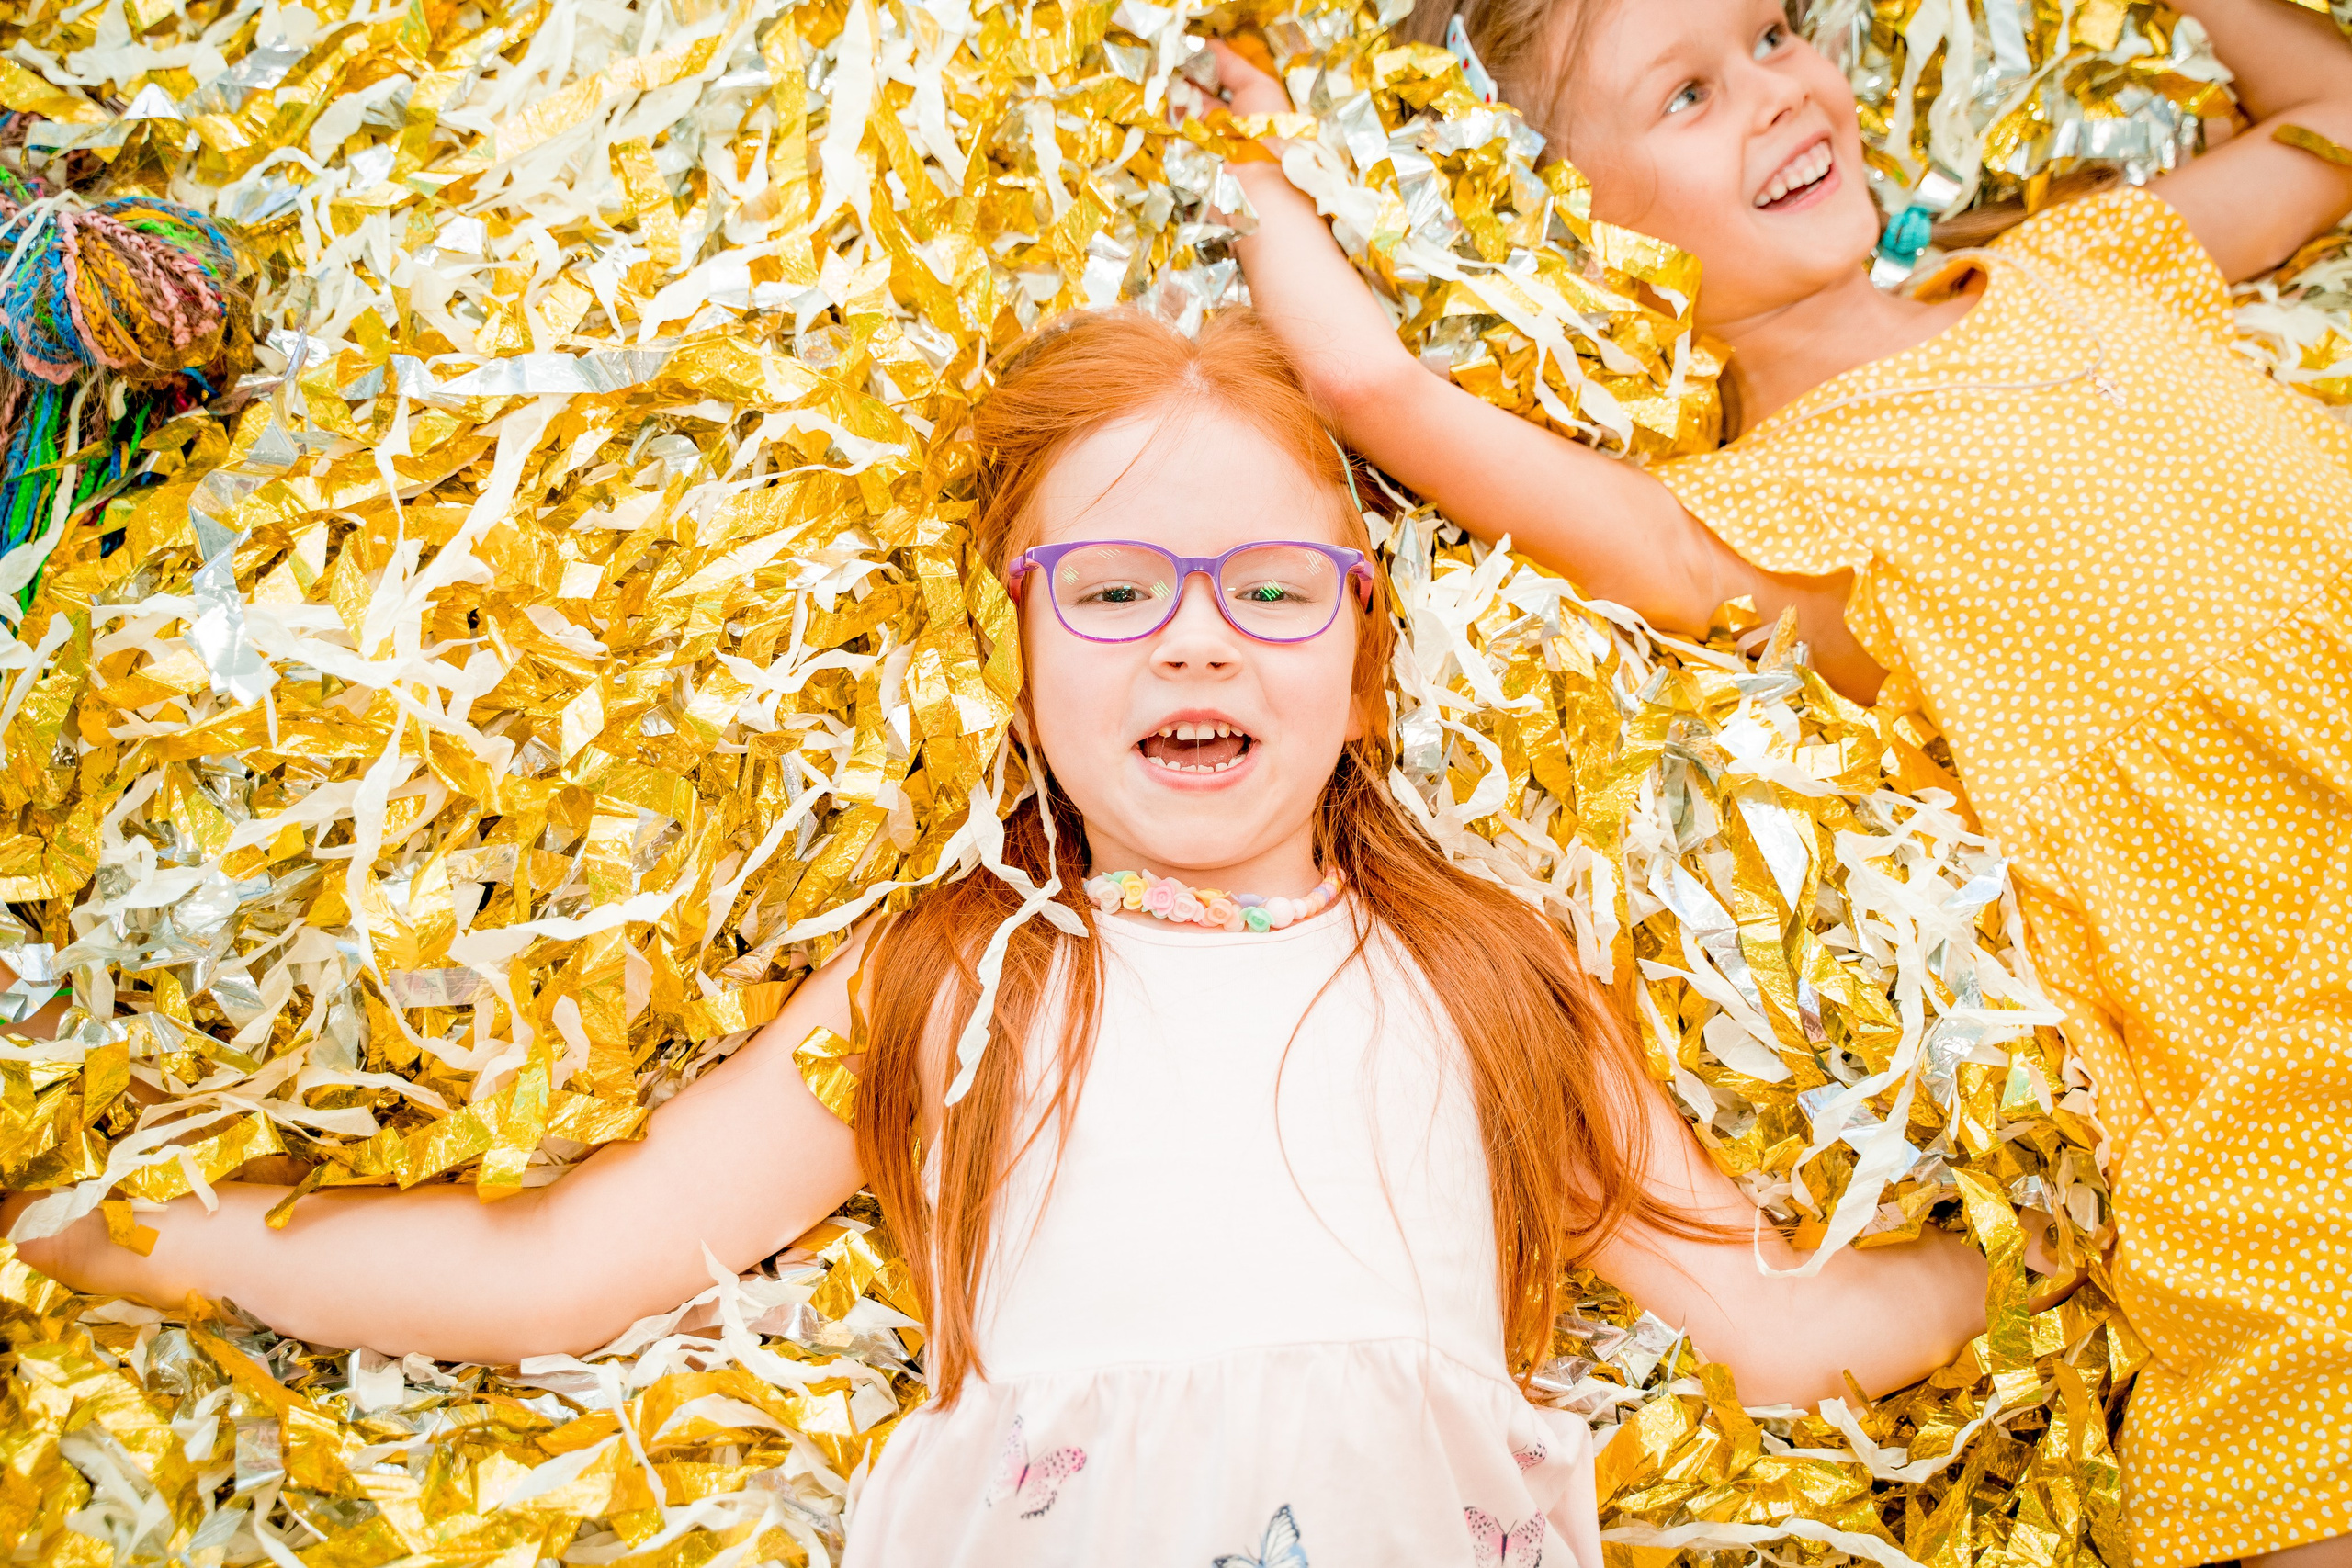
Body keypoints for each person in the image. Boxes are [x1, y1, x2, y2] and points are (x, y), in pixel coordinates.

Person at [4, 308, 1995, 1565]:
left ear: (1369, 663)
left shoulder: (1490, 969)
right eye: (1114, 588)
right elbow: (560, 1269)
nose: (1198, 632)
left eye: (1270, 591)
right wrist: (135, 1234)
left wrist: (2038, 1253)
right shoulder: (949, 976)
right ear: (1013, 661)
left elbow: (1776, 1317)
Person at [1209, 2, 2352, 1565]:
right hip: (2274, 1028)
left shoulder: (2086, 261)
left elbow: (2332, 111)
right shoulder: (1745, 512)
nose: (1780, 90)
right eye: (1687, 92)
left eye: (1775, 32)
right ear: (1565, 215)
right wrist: (1276, 161)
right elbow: (1374, 385)